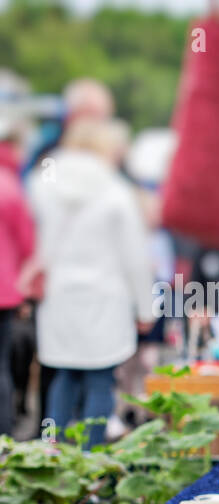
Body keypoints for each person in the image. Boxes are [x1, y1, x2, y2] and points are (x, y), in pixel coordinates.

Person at [28, 117, 152, 446]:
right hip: (105, 295)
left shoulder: (43, 183)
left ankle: (49, 451)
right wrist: (145, 307)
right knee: (100, 380)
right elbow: (135, 257)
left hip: (59, 295)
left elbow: (35, 240)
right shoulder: (115, 189)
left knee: (62, 377)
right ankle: (91, 460)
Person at [0, 117, 36, 437]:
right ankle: (3, 437)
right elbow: (28, 245)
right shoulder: (11, 185)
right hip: (4, 294)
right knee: (2, 368)